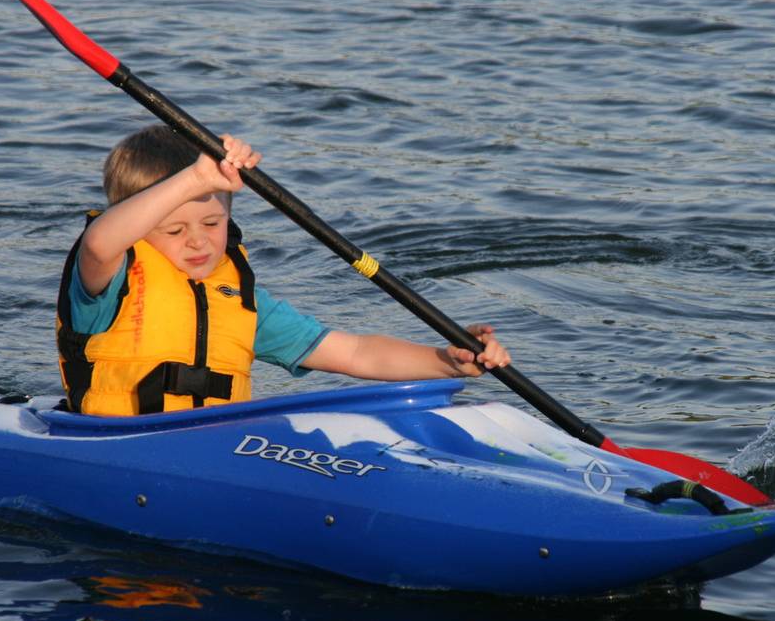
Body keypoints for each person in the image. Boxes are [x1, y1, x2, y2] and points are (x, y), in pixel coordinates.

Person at [56, 124, 510, 416]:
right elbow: (99, 243)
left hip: (210, 448)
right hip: (112, 443)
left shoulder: (241, 301)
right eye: (174, 229)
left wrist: (448, 362)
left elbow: (354, 354)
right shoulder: (107, 280)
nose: (198, 240)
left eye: (213, 223)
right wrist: (195, 180)